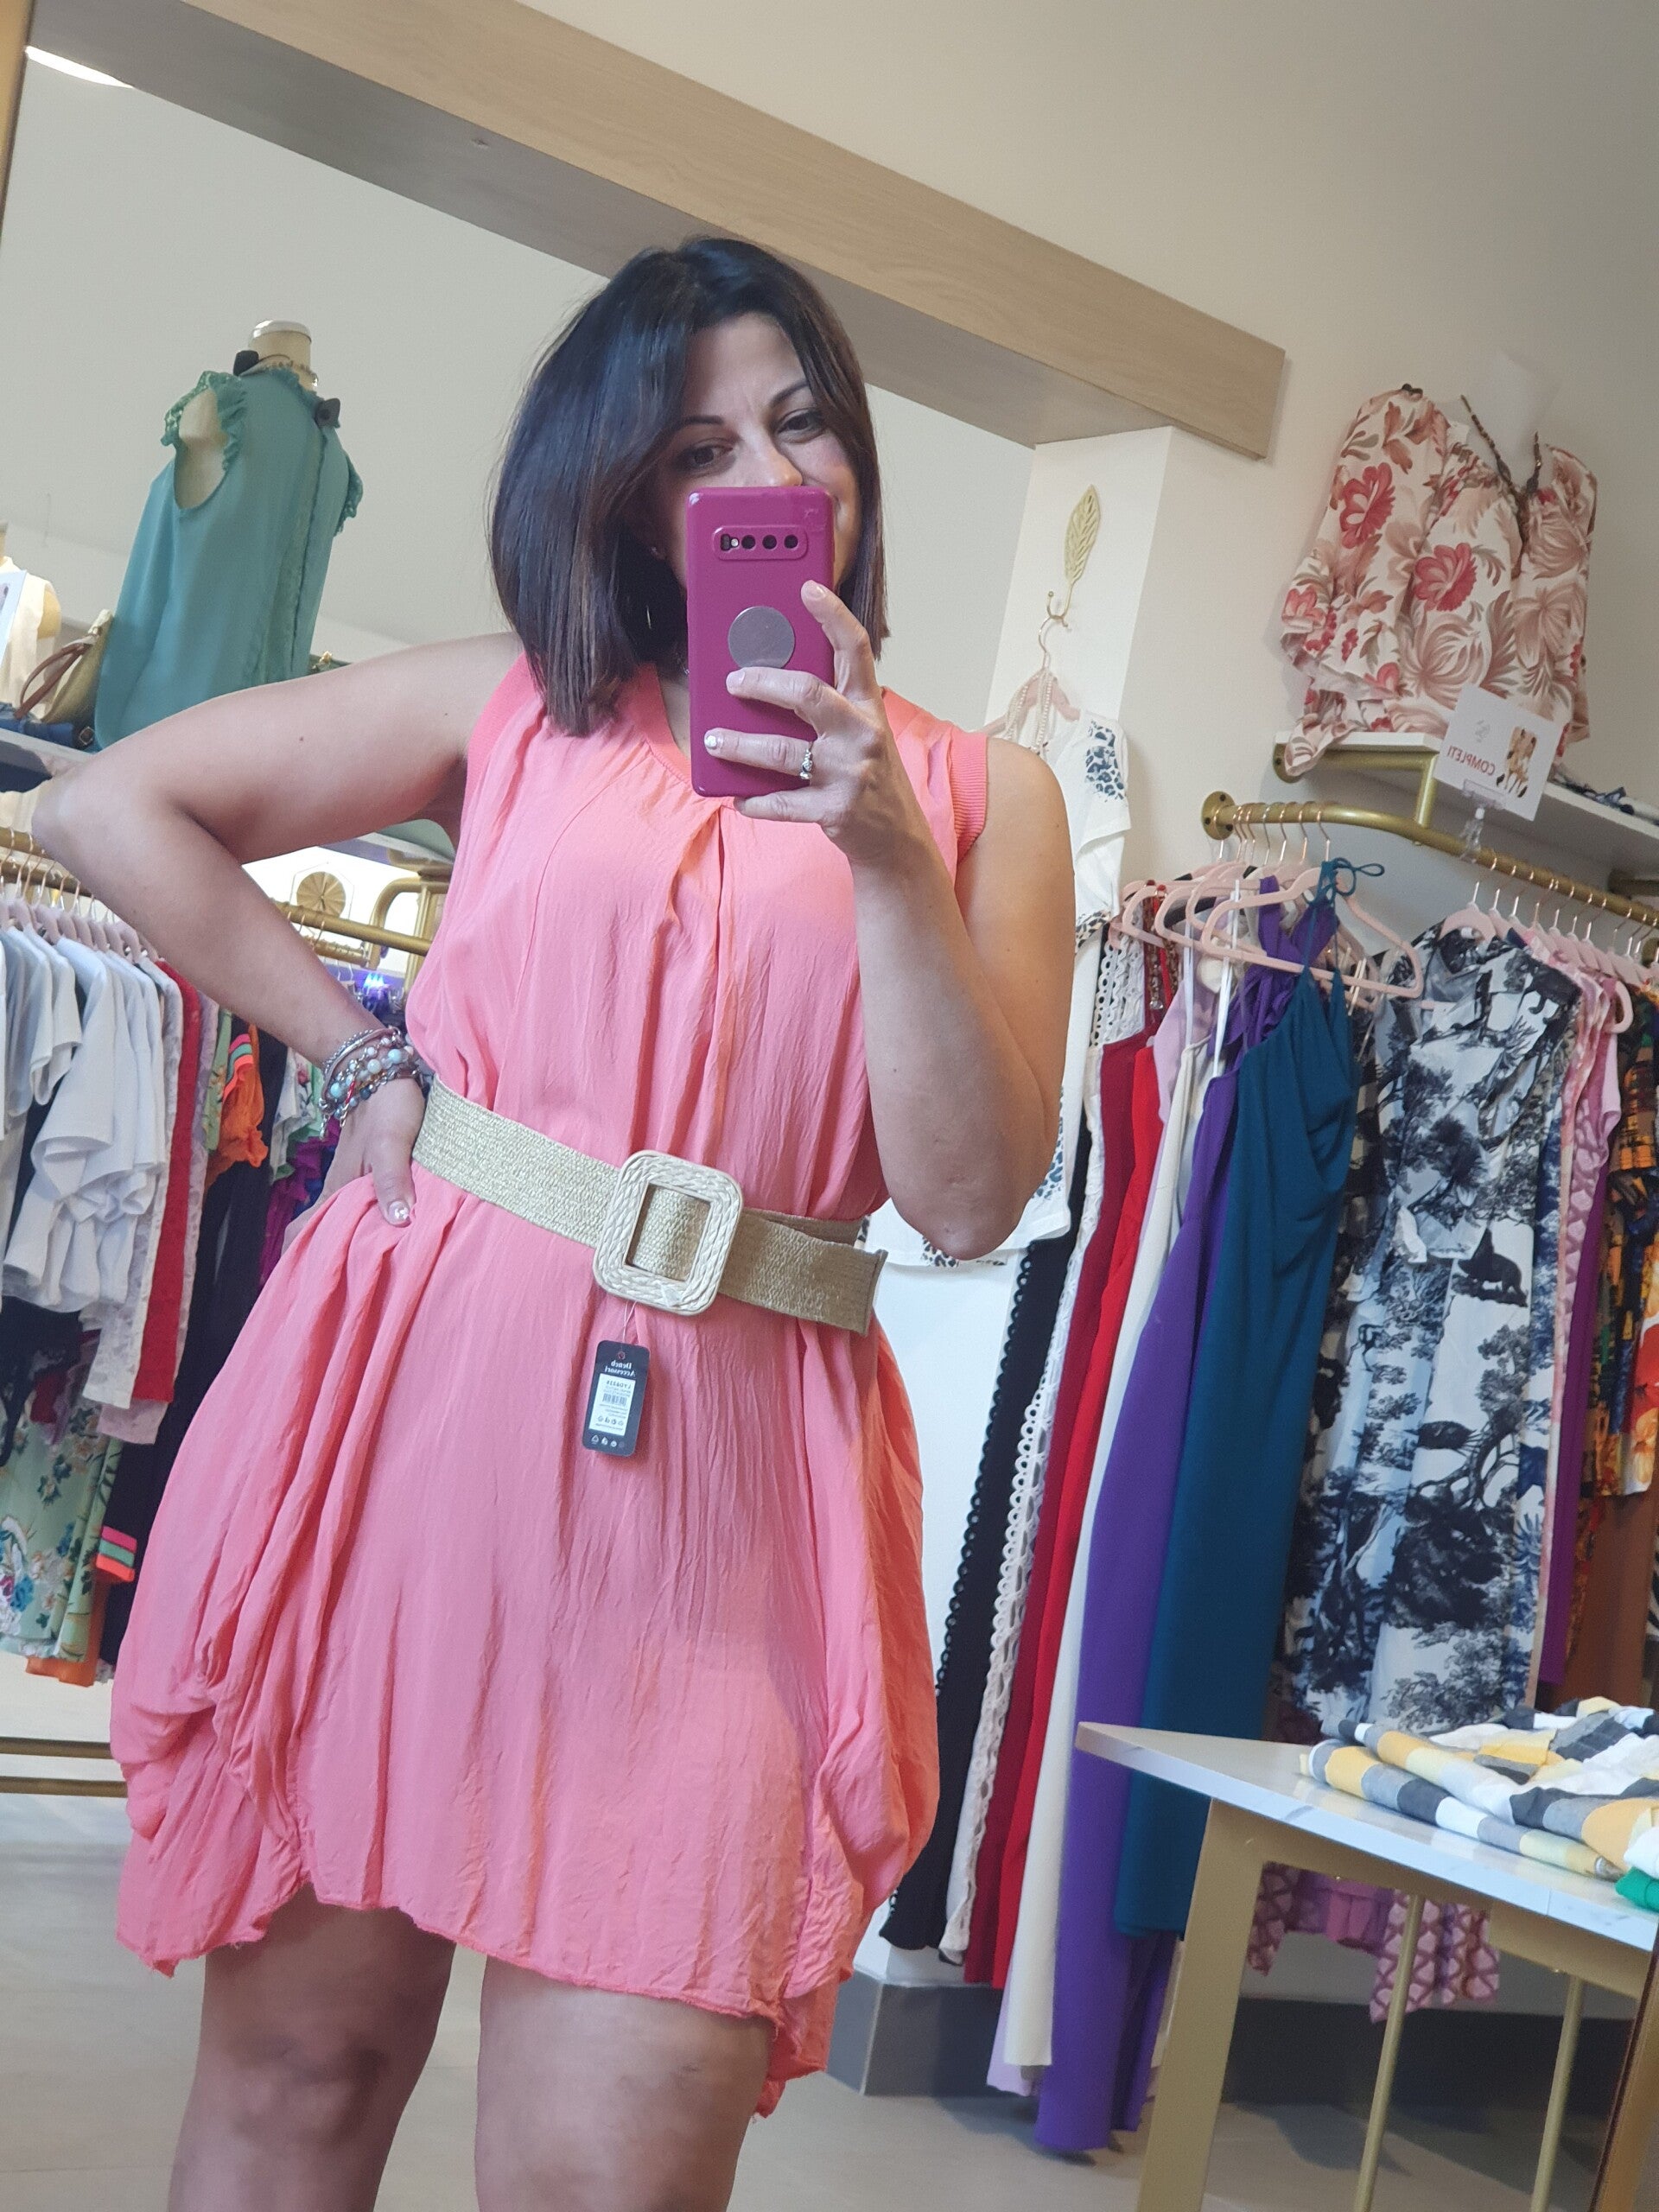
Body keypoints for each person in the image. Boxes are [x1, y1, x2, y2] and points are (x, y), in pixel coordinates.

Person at [35, 235, 1072, 2212]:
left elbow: (962, 1193)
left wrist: (880, 853)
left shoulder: (979, 794)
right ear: (621, 493)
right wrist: (359, 1051)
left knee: (618, 2162)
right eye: (696, 447)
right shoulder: (515, 704)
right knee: (299, 2078)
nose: (770, 474)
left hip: (728, 1505)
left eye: (802, 423)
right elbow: (108, 809)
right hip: (416, 1427)